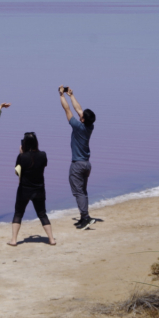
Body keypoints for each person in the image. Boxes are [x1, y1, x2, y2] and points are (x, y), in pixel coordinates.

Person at [8, 132, 56, 246]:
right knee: (42, 214)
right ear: (36, 143)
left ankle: (14, 240)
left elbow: (16, 172)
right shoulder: (43, 155)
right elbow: (43, 165)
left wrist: (21, 155)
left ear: (24, 144)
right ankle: (51, 239)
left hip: (24, 189)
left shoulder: (21, 157)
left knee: (18, 213)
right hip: (39, 188)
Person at [59, 85, 97, 230]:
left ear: (82, 120)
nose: (79, 114)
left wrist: (61, 95)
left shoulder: (78, 126)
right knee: (83, 191)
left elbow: (68, 110)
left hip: (78, 164)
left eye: (81, 116)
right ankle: (83, 217)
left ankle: (86, 218)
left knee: (78, 192)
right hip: (86, 164)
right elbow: (78, 109)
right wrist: (71, 95)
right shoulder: (89, 126)